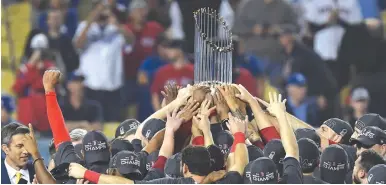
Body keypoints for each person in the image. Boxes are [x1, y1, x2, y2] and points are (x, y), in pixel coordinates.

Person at [73, 1, 132, 121]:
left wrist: (117, 24)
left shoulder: (116, 27)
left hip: (114, 85)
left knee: (113, 123)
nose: (103, 12)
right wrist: (93, 17)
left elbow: (131, 41)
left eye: (106, 9)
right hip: (91, 84)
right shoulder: (85, 26)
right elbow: (78, 44)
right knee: (92, 125)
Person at [123, 0, 164, 120]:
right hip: (129, 74)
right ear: (130, 13)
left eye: (143, 9)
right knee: (129, 104)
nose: (141, 12)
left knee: (147, 104)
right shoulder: (125, 29)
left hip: (149, 74)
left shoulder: (155, 28)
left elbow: (163, 44)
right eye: (138, 9)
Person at [12, 34, 56, 132]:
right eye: (36, 51)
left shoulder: (49, 68)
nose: (38, 55)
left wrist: (35, 70)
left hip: (44, 119)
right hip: (26, 118)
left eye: (41, 51)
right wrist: (30, 66)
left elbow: (44, 85)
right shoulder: (25, 68)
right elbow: (17, 88)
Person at [233, 0, 298, 63]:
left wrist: (278, 29)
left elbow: (295, 28)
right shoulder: (247, 4)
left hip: (276, 58)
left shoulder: (285, 6)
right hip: (250, 57)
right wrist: (253, 28)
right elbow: (236, 27)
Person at [150, 40, 194, 111]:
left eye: (171, 49)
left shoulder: (192, 70)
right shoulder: (162, 71)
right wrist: (159, 116)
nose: (167, 52)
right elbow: (155, 95)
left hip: (188, 112)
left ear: (180, 51)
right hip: (168, 114)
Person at [136, 33, 169, 121]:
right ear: (158, 47)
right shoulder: (150, 62)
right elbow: (141, 79)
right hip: (148, 102)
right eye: (164, 47)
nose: (166, 50)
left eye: (169, 47)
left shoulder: (174, 63)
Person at [44, 9, 79, 74]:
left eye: (58, 18)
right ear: (48, 21)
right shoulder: (43, 39)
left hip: (63, 75)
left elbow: (74, 62)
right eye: (53, 18)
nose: (56, 21)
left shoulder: (66, 40)